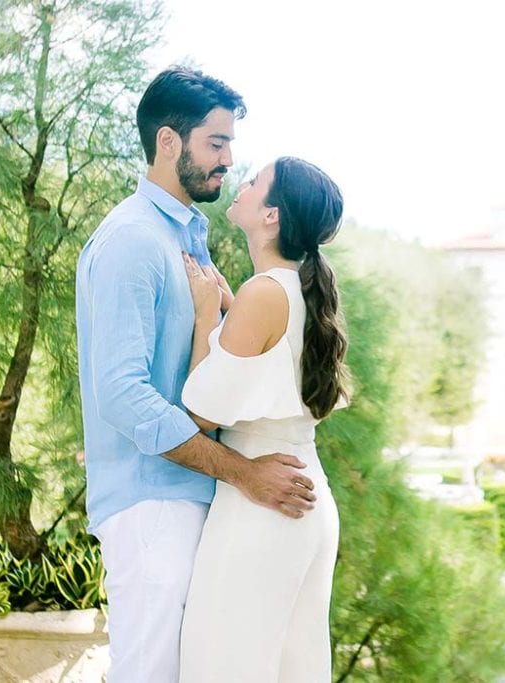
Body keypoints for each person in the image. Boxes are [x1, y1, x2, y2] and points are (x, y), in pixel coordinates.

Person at [75, 68, 317, 683]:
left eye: (231, 146)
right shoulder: (133, 239)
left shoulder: (187, 238)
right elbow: (124, 395)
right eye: (216, 144)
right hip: (151, 500)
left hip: (194, 495)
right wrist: (245, 474)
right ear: (167, 142)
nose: (228, 161)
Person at [178, 156, 350, 682]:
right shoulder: (294, 290)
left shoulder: (263, 293)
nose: (242, 183)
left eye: (255, 183)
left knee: (224, 666)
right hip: (305, 497)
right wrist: (232, 305)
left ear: (272, 215)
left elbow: (198, 413)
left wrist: (208, 311)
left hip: (265, 502)